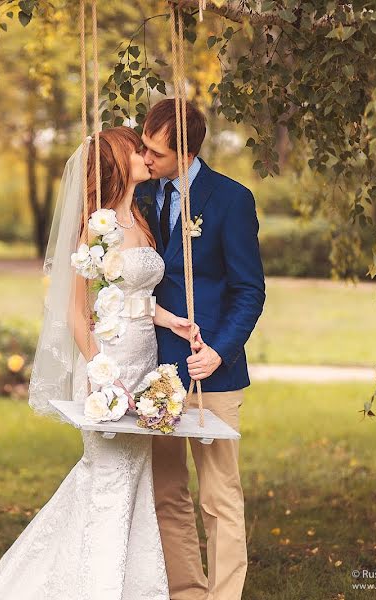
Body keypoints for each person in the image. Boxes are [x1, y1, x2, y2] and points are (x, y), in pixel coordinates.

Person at [0, 127, 199, 600]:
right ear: (117, 163)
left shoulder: (141, 221)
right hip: (108, 362)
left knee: (133, 478)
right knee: (106, 475)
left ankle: (133, 585)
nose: (147, 156)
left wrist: (175, 321)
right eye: (136, 150)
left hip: (145, 360)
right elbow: (76, 313)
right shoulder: (96, 227)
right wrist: (100, 371)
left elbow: (132, 298)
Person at [135, 99, 266, 600]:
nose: (147, 159)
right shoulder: (142, 196)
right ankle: (187, 592)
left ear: (186, 152)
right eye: (144, 147)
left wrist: (221, 351)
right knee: (167, 494)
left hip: (211, 372)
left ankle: (225, 595)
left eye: (157, 153)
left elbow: (250, 290)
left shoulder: (231, 200)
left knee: (219, 497)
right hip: (154, 373)